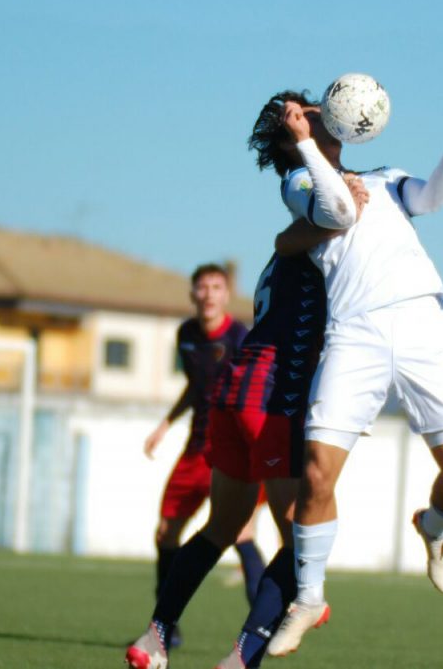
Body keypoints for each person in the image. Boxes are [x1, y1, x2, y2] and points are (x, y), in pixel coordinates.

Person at [258, 88, 443, 655]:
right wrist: (306, 147)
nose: (316, 114)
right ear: (289, 136)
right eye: (302, 115)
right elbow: (338, 212)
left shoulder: (384, 175)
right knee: (317, 473)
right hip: (355, 333)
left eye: (314, 108)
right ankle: (309, 598)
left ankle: (435, 525)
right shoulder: (298, 182)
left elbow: (430, 199)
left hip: (421, 323)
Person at [125, 249, 339, 669]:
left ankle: (155, 638)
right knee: (301, 541)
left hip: (232, 393)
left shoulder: (283, 257)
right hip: (270, 400)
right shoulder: (328, 259)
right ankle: (242, 659)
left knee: (222, 526)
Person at [142, 263, 262, 647]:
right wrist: (166, 423)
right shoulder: (187, 336)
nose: (209, 293)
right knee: (166, 533)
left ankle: (265, 626)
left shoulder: (241, 337)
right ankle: (166, 627)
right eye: (203, 287)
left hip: (234, 449)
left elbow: (258, 388)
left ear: (227, 295)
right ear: (193, 293)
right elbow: (196, 387)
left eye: (216, 287)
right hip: (196, 449)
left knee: (241, 532)